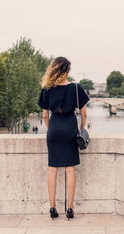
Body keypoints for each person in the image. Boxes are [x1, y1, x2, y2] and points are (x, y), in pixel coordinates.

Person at [37, 57, 90, 220]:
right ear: (67, 70)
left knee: (53, 168)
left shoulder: (47, 89)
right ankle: (70, 208)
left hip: (54, 128)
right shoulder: (75, 88)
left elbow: (45, 115)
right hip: (69, 128)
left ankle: (52, 207)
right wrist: (81, 128)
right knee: (69, 169)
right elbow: (84, 113)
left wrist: (51, 128)